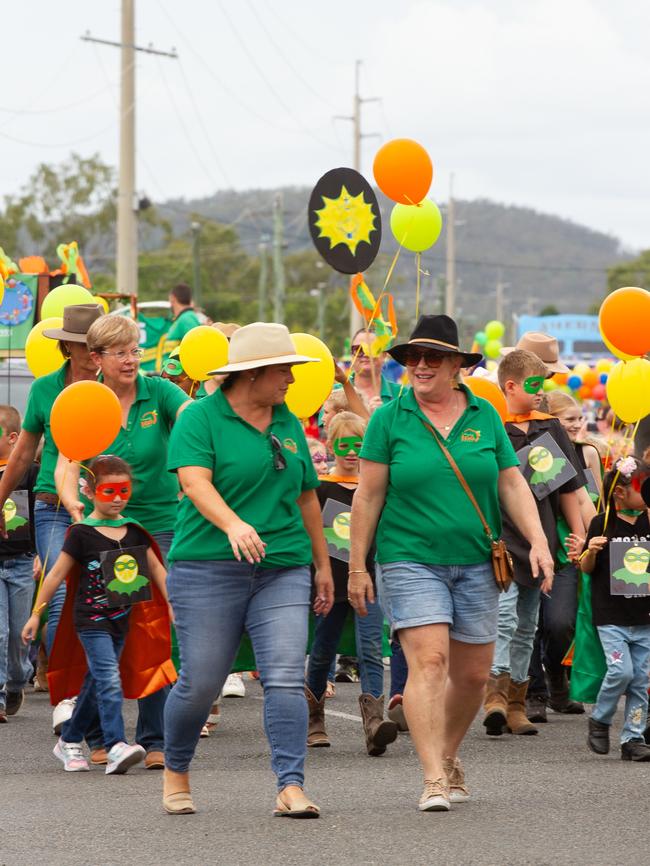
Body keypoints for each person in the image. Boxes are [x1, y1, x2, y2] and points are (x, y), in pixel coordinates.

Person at [348, 315, 554, 812]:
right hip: (408, 558)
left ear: (458, 365)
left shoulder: (484, 415)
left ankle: (448, 752)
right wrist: (357, 566)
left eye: (432, 358)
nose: (419, 366)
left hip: (478, 560)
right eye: (412, 358)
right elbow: (368, 496)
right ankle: (433, 775)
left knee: (473, 675)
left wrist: (539, 541)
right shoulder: (389, 418)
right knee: (430, 661)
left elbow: (510, 483)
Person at [162, 322, 334, 817]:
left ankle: (290, 786)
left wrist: (322, 565)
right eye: (284, 370)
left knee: (282, 675)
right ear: (252, 374)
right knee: (202, 681)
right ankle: (176, 770)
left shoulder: (288, 422)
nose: (292, 380)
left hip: (283, 566)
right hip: (208, 566)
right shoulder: (201, 417)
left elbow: (306, 495)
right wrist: (234, 525)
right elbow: (195, 482)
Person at [56, 315, 191, 769]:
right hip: (102, 533)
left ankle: (154, 739)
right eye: (120, 352)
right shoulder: (85, 400)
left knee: (155, 628)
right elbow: (67, 463)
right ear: (96, 359)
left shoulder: (161, 393)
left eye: (135, 350)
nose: (131, 360)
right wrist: (74, 504)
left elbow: (192, 416)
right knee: (106, 632)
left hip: (159, 528)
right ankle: (95, 734)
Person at [21, 455, 173, 774]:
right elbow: (55, 574)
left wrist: (173, 605)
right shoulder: (81, 533)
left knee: (94, 682)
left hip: (122, 620)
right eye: (109, 491)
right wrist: (37, 614)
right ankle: (116, 744)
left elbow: (158, 569)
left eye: (124, 490)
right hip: (90, 621)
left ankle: (70, 739)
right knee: (108, 678)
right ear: (89, 492)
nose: (118, 498)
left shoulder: (133, 531)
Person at [0, 303, 104, 733]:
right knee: (57, 596)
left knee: (102, 599)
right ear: (67, 346)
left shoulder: (113, 385)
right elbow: (23, 453)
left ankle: (99, 688)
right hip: (51, 506)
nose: (95, 353)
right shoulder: (45, 390)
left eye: (100, 345)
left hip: (108, 504)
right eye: (87, 345)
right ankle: (67, 697)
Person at [483, 350, 586, 737]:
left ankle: (516, 703)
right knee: (505, 617)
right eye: (532, 385)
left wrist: (576, 534)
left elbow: (569, 488)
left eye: (542, 384)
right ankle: (494, 693)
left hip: (540, 538)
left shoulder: (550, 428)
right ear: (510, 385)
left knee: (528, 623)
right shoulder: (493, 426)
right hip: (502, 538)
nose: (540, 392)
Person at [305, 411, 398, 755]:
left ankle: (374, 725)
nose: (351, 451)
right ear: (331, 446)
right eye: (344, 444)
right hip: (331, 582)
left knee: (371, 648)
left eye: (359, 445)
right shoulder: (320, 488)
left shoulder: (375, 489)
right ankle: (314, 718)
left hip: (368, 580)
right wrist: (315, 576)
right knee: (322, 650)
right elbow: (311, 537)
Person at [526, 390, 598, 721]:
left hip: (565, 549)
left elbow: (586, 502)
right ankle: (533, 693)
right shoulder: (523, 443)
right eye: (568, 419)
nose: (575, 425)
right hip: (525, 546)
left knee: (559, 623)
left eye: (578, 419)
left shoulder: (585, 454)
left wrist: (590, 539)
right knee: (525, 625)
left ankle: (556, 673)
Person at [572, 456, 650, 761]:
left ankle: (633, 737)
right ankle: (601, 719)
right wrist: (589, 551)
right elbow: (587, 569)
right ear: (620, 492)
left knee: (642, 680)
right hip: (611, 618)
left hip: (644, 616)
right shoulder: (601, 523)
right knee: (621, 671)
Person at [0, 406, 38, 722]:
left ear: (13, 438)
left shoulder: (29, 472)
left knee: (17, 633)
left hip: (22, 563)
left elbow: (41, 516)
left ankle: (16, 681)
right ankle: (0, 695)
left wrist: (39, 553)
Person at [158, 283, 201, 364]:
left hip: (180, 375)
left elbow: (196, 351)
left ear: (172, 298)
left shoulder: (186, 319)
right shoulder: (183, 318)